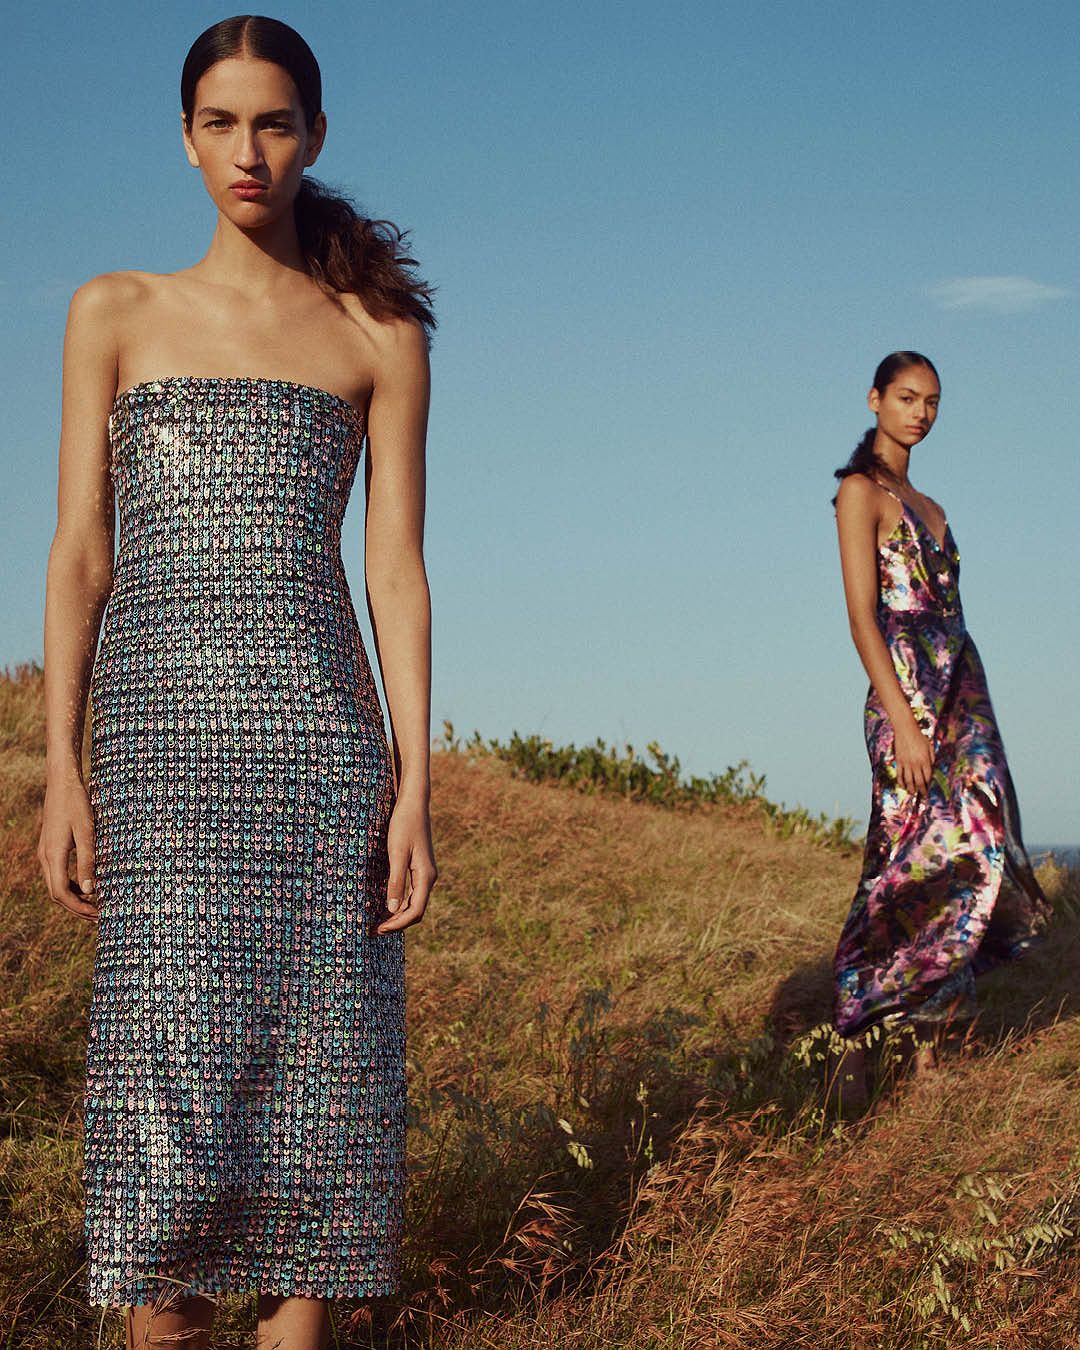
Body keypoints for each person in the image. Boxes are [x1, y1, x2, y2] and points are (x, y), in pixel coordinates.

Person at [36, 15, 436, 1348]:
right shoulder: (116, 308)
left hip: (321, 750)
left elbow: (396, 577)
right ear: (187, 137)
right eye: (221, 122)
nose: (248, 150)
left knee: (322, 1099)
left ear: (314, 134)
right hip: (154, 751)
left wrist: (414, 786)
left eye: (273, 123)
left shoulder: (377, 333)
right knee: (164, 1116)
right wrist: (63, 767)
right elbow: (80, 551)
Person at [828, 351, 1050, 1108]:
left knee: (971, 851)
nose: (920, 412)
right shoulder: (859, 492)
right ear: (875, 400)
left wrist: (961, 709)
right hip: (905, 697)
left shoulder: (934, 506)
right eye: (906, 398)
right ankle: (853, 1036)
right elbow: (862, 617)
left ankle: (932, 1057)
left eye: (932, 401)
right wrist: (903, 719)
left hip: (962, 689)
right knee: (899, 860)